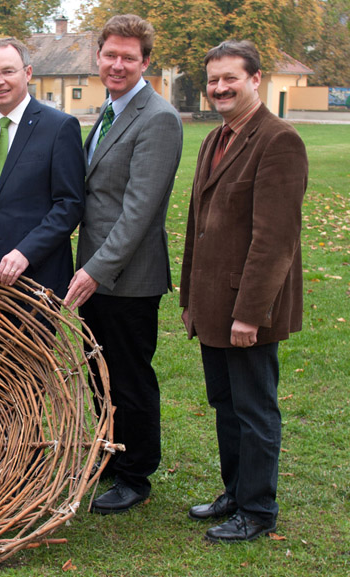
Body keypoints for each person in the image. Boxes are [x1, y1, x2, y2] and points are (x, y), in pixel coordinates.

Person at [180, 40, 307, 542]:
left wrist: (250, 314)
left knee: (254, 409)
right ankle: (234, 493)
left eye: (230, 78)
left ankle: (257, 510)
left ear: (255, 79)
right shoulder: (215, 139)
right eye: (213, 80)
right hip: (212, 304)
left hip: (249, 309)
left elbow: (275, 240)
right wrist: (191, 300)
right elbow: (200, 226)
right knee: (226, 404)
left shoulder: (279, 140)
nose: (220, 88)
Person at [63, 14, 183, 514]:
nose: (117, 64)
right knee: (100, 375)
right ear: (98, 56)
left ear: (145, 62)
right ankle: (113, 456)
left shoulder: (158, 118)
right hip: (97, 274)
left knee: (130, 379)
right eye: (110, 54)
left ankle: (136, 474)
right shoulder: (110, 111)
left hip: (128, 278)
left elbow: (139, 212)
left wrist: (95, 270)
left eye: (128, 57)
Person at [0, 37, 84, 298]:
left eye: (7, 71)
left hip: (40, 279)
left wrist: (26, 252)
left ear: (27, 73)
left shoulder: (59, 127)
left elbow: (69, 204)